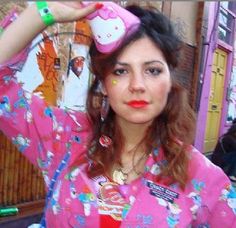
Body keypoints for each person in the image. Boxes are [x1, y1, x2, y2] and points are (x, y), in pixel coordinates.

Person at [0, 1, 235, 227]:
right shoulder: (65, 137)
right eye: (121, 71)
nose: (137, 85)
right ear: (103, 83)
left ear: (169, 79)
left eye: (152, 70)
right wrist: (43, 11)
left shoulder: (200, 176)